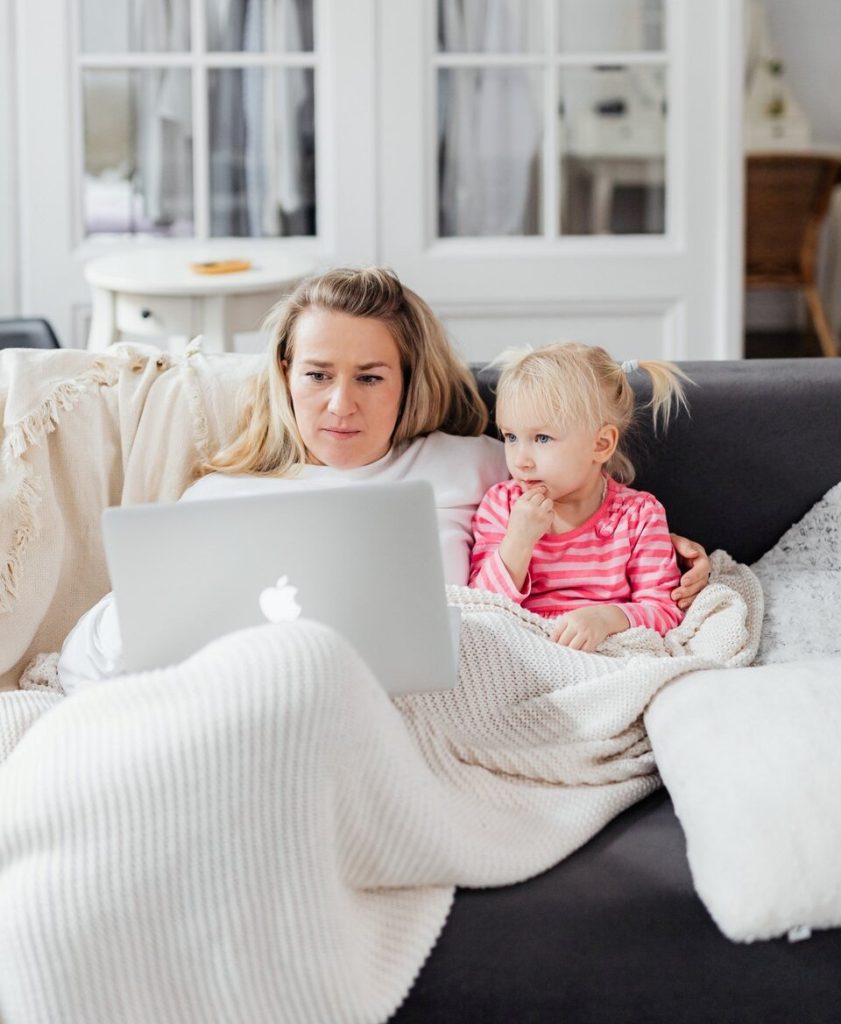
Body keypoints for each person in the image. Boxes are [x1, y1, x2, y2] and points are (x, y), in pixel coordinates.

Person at [58, 268, 710, 691]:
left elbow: (579, 495)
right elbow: (99, 654)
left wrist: (669, 547)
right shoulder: (215, 500)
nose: (341, 405)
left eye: (370, 377)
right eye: (317, 374)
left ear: (406, 382)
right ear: (285, 374)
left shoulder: (475, 464)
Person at [468, 342, 690, 652]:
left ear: (601, 444)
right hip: (525, 652)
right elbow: (479, 609)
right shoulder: (501, 507)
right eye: (511, 437)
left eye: (542, 438)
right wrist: (518, 541)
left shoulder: (639, 516)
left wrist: (605, 618)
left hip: (605, 654)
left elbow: (665, 611)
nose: (521, 460)